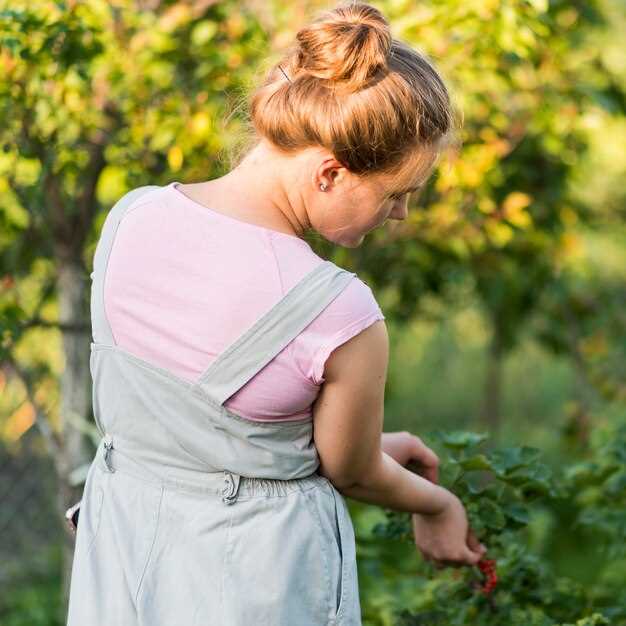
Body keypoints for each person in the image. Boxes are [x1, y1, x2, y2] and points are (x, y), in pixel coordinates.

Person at [65, 2, 486, 625]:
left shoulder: (133, 216)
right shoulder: (338, 309)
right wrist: (437, 506)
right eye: (396, 195)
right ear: (330, 172)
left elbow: (196, 429)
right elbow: (356, 471)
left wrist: (371, 443)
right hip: (248, 581)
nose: (399, 216)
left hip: (122, 566)